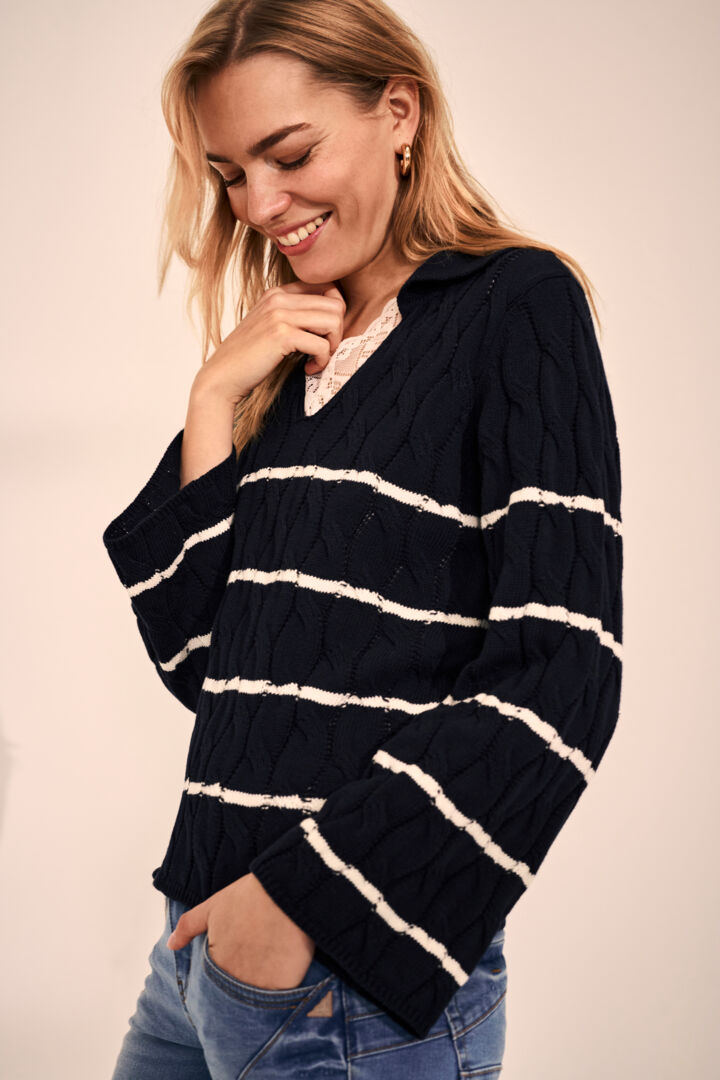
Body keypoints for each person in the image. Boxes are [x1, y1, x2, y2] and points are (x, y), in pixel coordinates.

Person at [103, 0, 623, 1077]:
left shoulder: (516, 305)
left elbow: (562, 673)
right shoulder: (291, 349)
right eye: (230, 174)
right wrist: (214, 397)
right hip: (195, 945)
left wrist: (298, 902)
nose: (260, 204)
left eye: (290, 155)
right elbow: (207, 668)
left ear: (399, 113)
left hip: (349, 970)